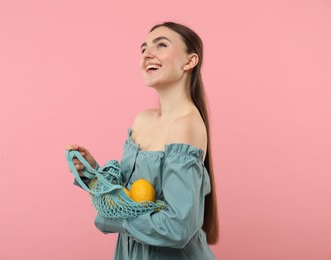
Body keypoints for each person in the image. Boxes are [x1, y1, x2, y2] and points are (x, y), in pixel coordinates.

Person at [67, 21, 219, 260]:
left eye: (161, 45)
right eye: (143, 48)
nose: (148, 54)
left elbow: (177, 227)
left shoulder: (186, 125)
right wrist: (92, 172)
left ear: (190, 61)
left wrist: (112, 219)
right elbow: (130, 195)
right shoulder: (142, 120)